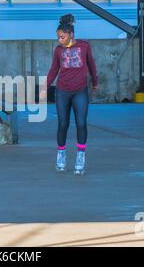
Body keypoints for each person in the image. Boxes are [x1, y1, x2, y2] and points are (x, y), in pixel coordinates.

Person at [40, 14, 98, 175]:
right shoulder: (58, 50)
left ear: (71, 35)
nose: (60, 39)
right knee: (63, 124)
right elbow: (54, 69)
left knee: (81, 123)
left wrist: (95, 82)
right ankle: (61, 155)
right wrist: (45, 86)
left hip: (80, 91)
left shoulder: (84, 46)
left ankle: (81, 156)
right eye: (58, 37)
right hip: (62, 92)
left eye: (62, 37)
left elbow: (91, 64)